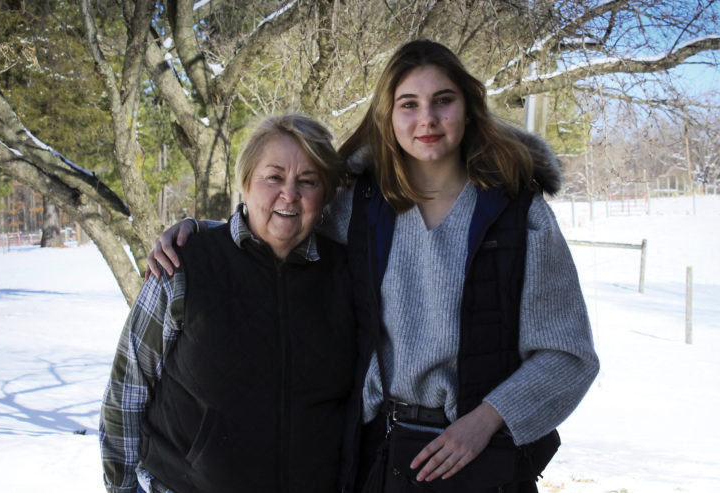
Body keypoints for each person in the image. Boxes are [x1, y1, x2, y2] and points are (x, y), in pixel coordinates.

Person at [146, 40, 599, 493]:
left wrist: (484, 421)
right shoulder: (359, 208)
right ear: (387, 115)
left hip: (477, 460)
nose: (427, 119)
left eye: (444, 100)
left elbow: (568, 357)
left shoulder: (518, 215)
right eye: (409, 104)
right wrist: (199, 232)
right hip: (374, 458)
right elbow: (280, 220)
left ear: (469, 107)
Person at [100, 114, 357, 493]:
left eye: (308, 181)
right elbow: (129, 386)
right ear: (247, 180)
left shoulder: (347, 275)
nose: (289, 194)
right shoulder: (184, 263)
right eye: (274, 177)